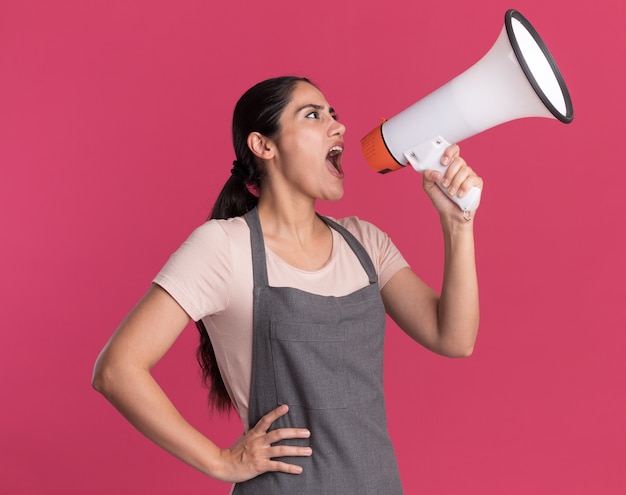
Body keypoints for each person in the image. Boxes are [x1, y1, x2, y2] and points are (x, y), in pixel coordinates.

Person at [92, 75, 482, 494]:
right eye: (313, 115)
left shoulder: (365, 242)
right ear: (264, 146)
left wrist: (458, 223)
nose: (339, 126)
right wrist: (219, 461)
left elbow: (454, 338)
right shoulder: (224, 247)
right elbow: (116, 370)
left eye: (334, 114)